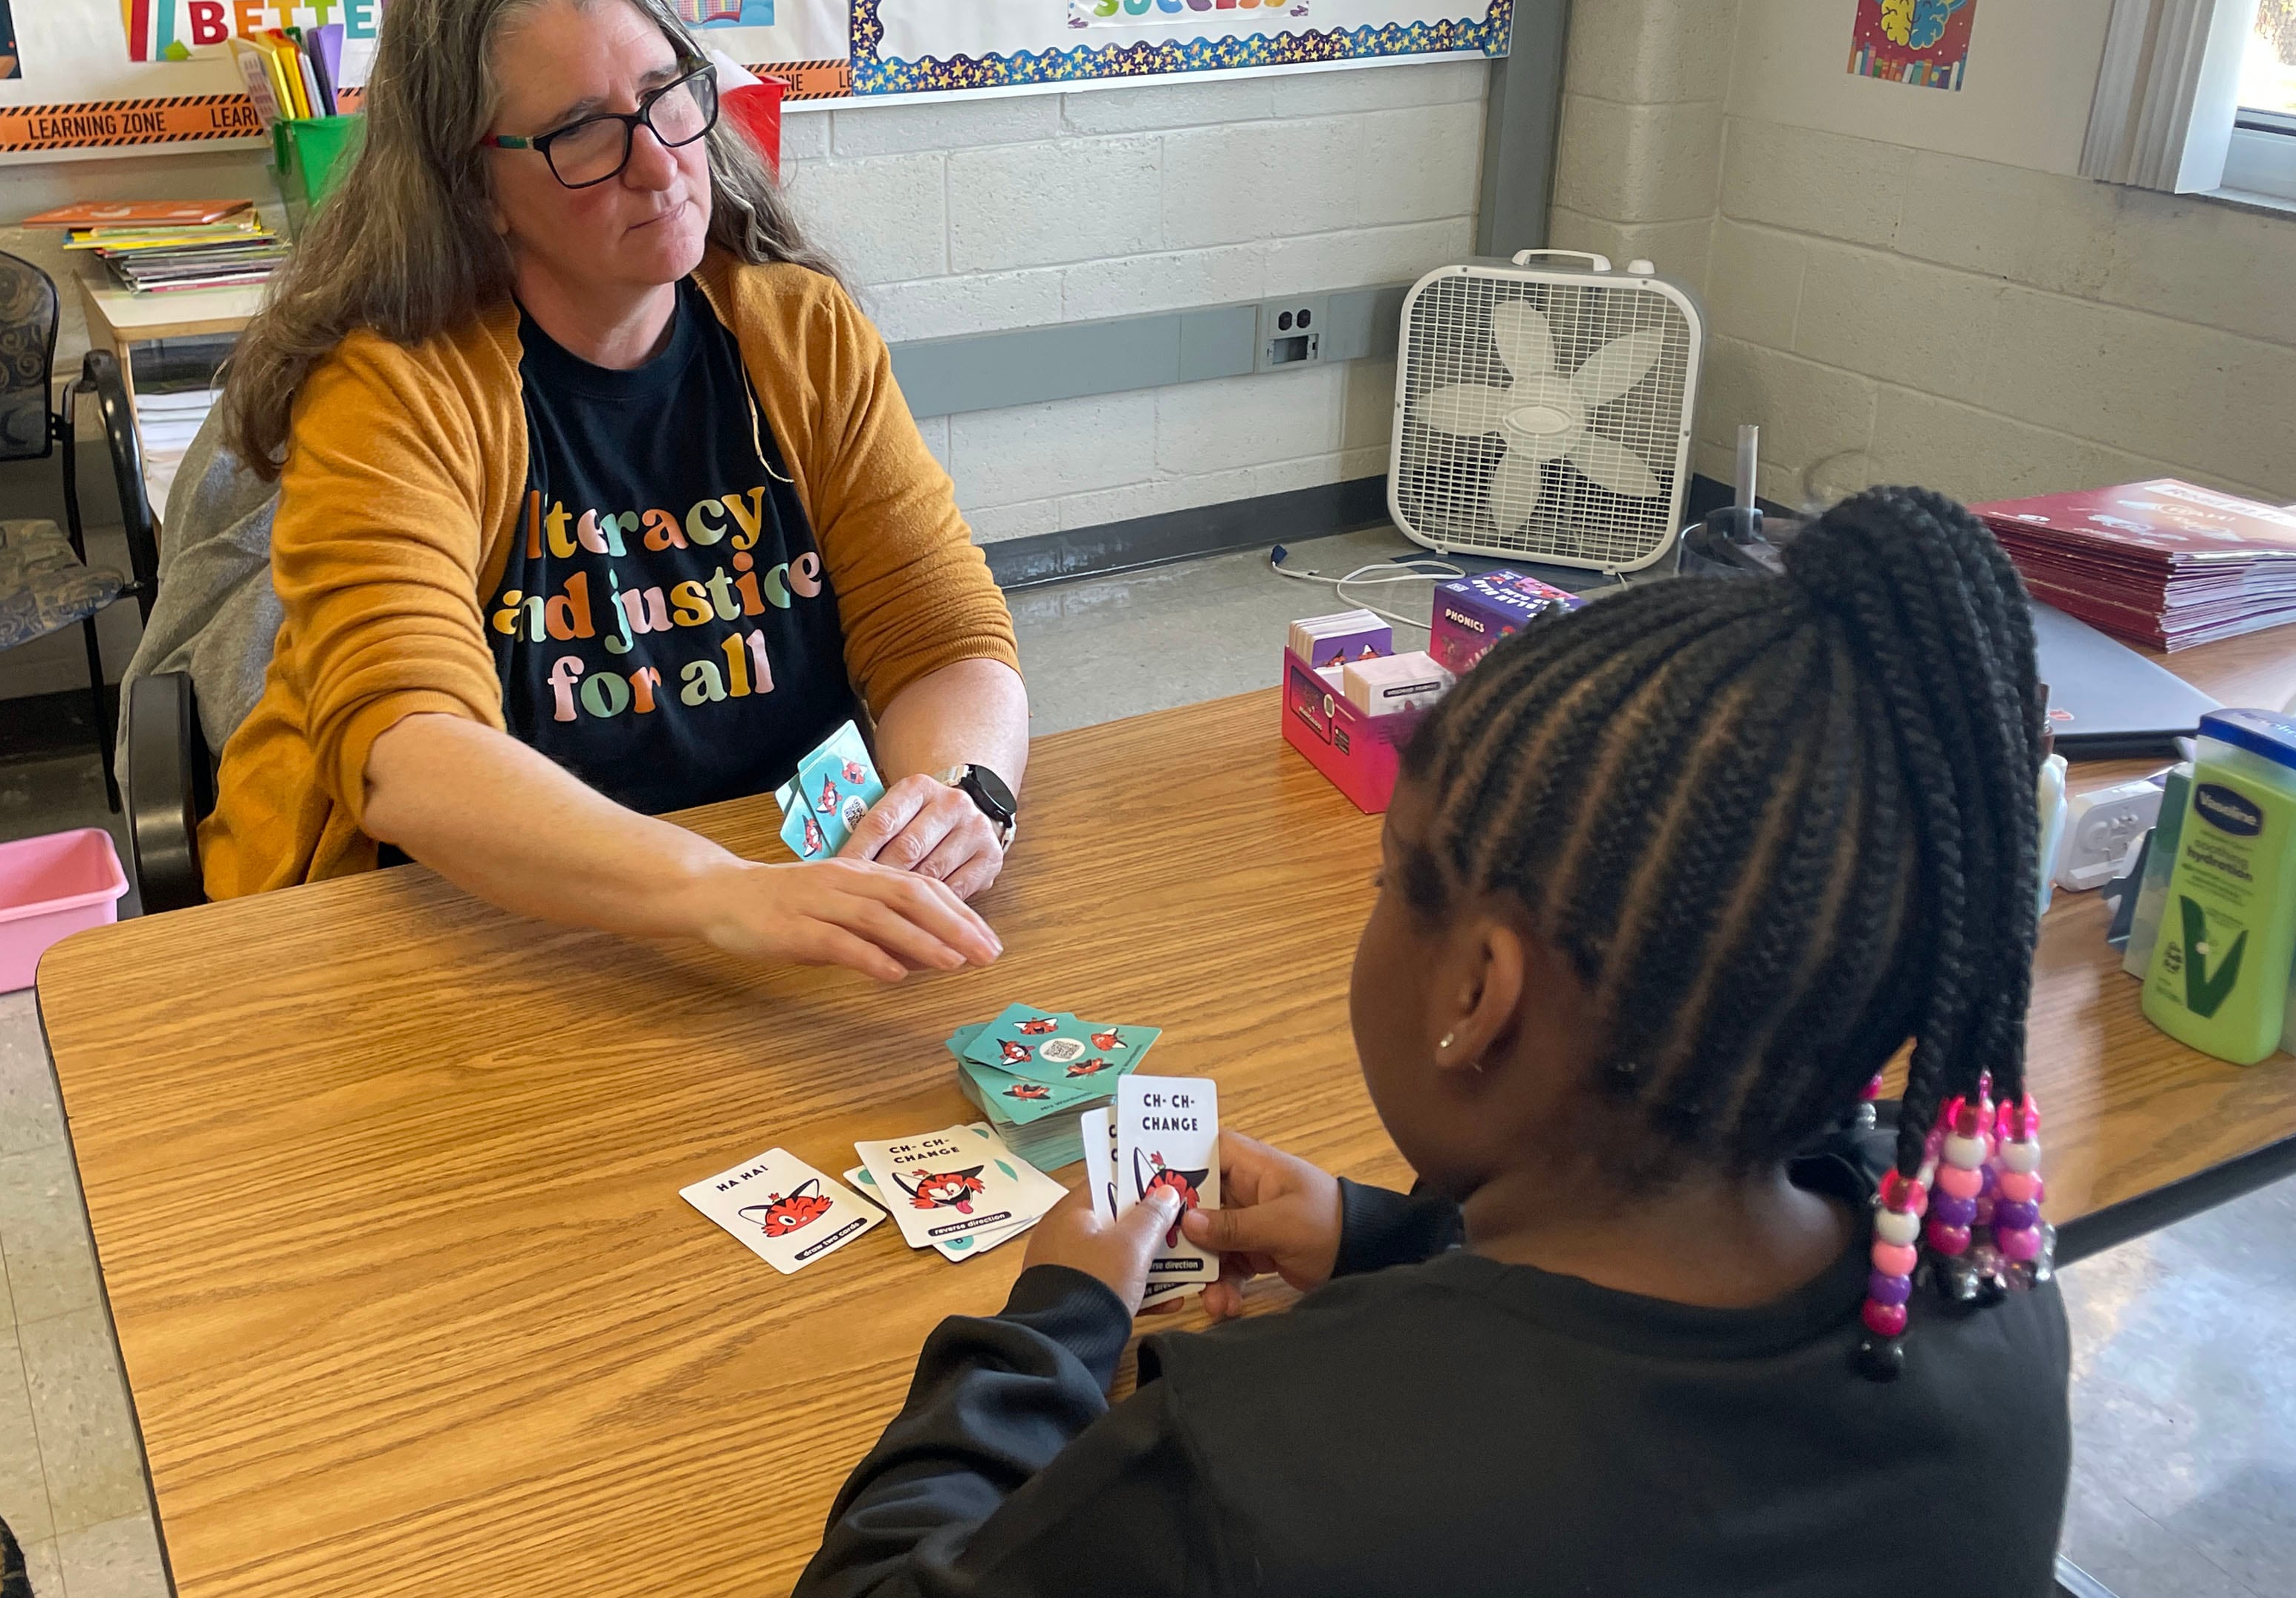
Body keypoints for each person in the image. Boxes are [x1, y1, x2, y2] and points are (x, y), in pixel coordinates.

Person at [797, 488, 2074, 1597]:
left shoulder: (1254, 1465)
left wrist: (1055, 1321)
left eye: (1387, 881)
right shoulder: (1990, 1289)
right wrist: (1388, 1241)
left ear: (1477, 991)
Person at [205, 0, 1022, 985]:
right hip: (487, 927)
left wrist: (957, 798)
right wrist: (712, 894)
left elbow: (942, 634)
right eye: (584, 133)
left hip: (782, 900)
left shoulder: (799, 331)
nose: (659, 165)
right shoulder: (391, 390)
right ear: (473, 187)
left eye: (662, 98)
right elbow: (407, 750)